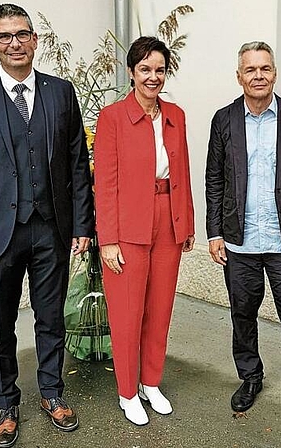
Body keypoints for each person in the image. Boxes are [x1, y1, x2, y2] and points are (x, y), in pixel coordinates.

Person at [0, 4, 94, 447]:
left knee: (51, 318)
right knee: (0, 322)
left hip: (51, 228)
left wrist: (81, 225)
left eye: (22, 34)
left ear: (35, 40)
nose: (15, 43)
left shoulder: (60, 92)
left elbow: (76, 165)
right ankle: (7, 401)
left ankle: (51, 392)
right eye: (5, 36)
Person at [205, 41, 281, 424]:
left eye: (265, 69)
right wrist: (214, 232)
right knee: (243, 313)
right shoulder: (223, 120)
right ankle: (250, 377)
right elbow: (214, 179)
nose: (259, 76)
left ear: (275, 73)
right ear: (239, 76)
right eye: (251, 70)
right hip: (238, 239)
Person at [94, 36, 195, 426]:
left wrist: (185, 221)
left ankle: (151, 382)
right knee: (128, 311)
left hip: (168, 219)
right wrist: (108, 239)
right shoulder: (112, 118)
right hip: (128, 224)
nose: (153, 77)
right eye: (145, 70)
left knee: (160, 308)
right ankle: (128, 391)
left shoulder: (176, 114)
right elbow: (105, 182)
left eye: (159, 70)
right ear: (131, 72)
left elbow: (182, 171)